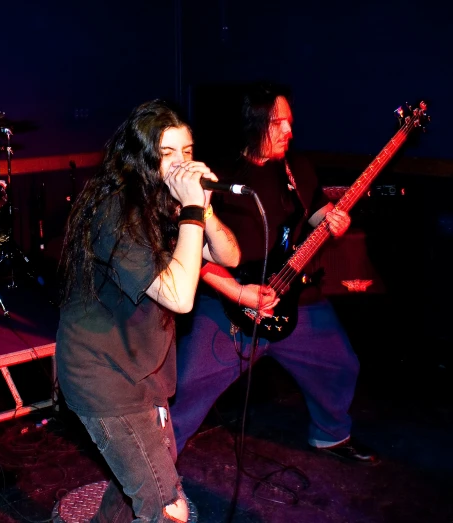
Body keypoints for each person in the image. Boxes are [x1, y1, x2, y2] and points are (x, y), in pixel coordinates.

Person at [170, 82, 378, 464]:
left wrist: (334, 221)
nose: (289, 131)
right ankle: (156, 467)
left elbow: (315, 214)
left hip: (291, 296)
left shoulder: (297, 168)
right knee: (187, 385)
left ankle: (331, 435)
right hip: (229, 302)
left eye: (290, 122)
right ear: (252, 124)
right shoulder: (217, 173)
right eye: (277, 122)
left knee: (341, 364)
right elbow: (189, 248)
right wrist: (236, 292)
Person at [56, 99, 241, 522]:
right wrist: (192, 209)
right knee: (165, 503)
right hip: (101, 374)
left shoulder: (167, 202)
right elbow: (180, 297)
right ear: (141, 157)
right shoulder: (114, 213)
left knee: (137, 484)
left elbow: (229, 255)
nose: (181, 164)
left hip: (144, 370)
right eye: (168, 153)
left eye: (188, 151)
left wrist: (203, 207)